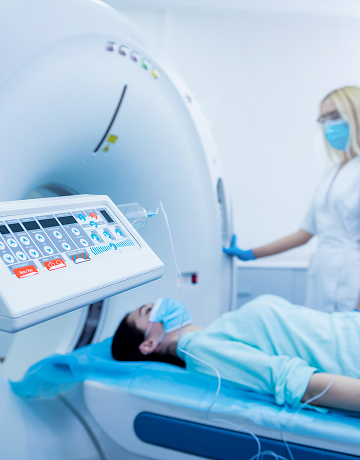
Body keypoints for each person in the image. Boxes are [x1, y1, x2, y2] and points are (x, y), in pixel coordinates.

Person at [223, 86, 360, 313]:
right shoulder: (332, 173)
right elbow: (304, 233)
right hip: (323, 274)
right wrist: (251, 254)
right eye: (324, 119)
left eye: (335, 116)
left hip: (352, 280)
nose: (329, 125)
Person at [112, 296, 360, 412]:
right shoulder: (200, 350)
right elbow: (302, 384)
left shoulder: (213, 331)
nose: (159, 304)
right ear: (148, 345)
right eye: (148, 310)